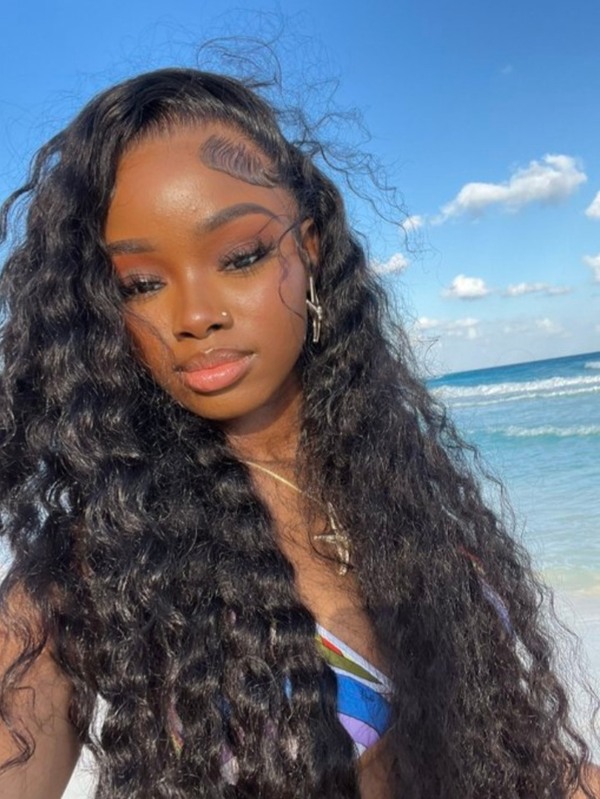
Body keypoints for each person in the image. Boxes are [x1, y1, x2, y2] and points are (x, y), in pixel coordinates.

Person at [0, 67, 597, 799]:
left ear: (308, 247)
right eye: (141, 284)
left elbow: (519, 763)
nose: (196, 315)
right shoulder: (92, 576)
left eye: (241, 256)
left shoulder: (400, 495)